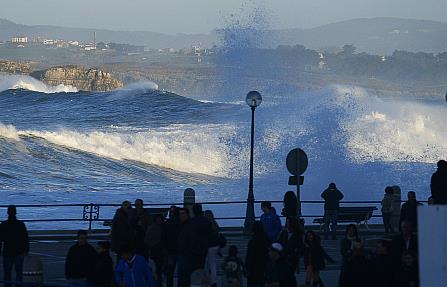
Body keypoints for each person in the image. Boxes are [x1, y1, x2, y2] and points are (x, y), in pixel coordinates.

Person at [0, 205, 29, 287]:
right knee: (19, 273)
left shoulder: (3, 224)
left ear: (7, 212)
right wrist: (26, 250)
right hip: (18, 252)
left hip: (7, 252)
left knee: (7, 273)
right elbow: (25, 238)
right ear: (16, 212)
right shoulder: (21, 224)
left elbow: (0, 239)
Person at [245, 221, 270, 287]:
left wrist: (247, 267)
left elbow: (249, 256)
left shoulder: (252, 241)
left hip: (253, 269)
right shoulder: (267, 239)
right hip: (264, 267)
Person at [190, 204, 212, 272]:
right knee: (203, 263)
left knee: (194, 264)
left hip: (193, 246)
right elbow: (210, 233)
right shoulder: (207, 221)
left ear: (193, 211)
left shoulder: (191, 221)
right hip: (204, 244)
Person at [145, 214, 165, 287]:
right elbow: (147, 240)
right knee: (159, 269)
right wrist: (155, 244)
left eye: (160, 219)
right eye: (158, 219)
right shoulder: (153, 228)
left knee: (160, 268)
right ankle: (159, 283)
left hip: (162, 251)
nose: (159, 220)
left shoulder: (162, 227)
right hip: (157, 251)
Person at [162, 206, 180, 287]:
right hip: (179, 250)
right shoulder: (181, 223)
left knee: (170, 273)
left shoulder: (167, 224)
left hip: (170, 251)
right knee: (182, 272)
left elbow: (163, 237)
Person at [176, 207, 195, 287]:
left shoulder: (191, 225)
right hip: (181, 254)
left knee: (185, 276)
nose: (181, 215)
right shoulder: (179, 225)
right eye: (180, 214)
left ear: (187, 214)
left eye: (183, 213)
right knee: (182, 276)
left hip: (188, 254)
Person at [204, 210, 220, 287]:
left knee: (206, 265)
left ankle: (208, 280)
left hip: (207, 247)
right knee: (212, 265)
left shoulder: (205, 224)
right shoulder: (215, 224)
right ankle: (214, 282)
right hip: (214, 247)